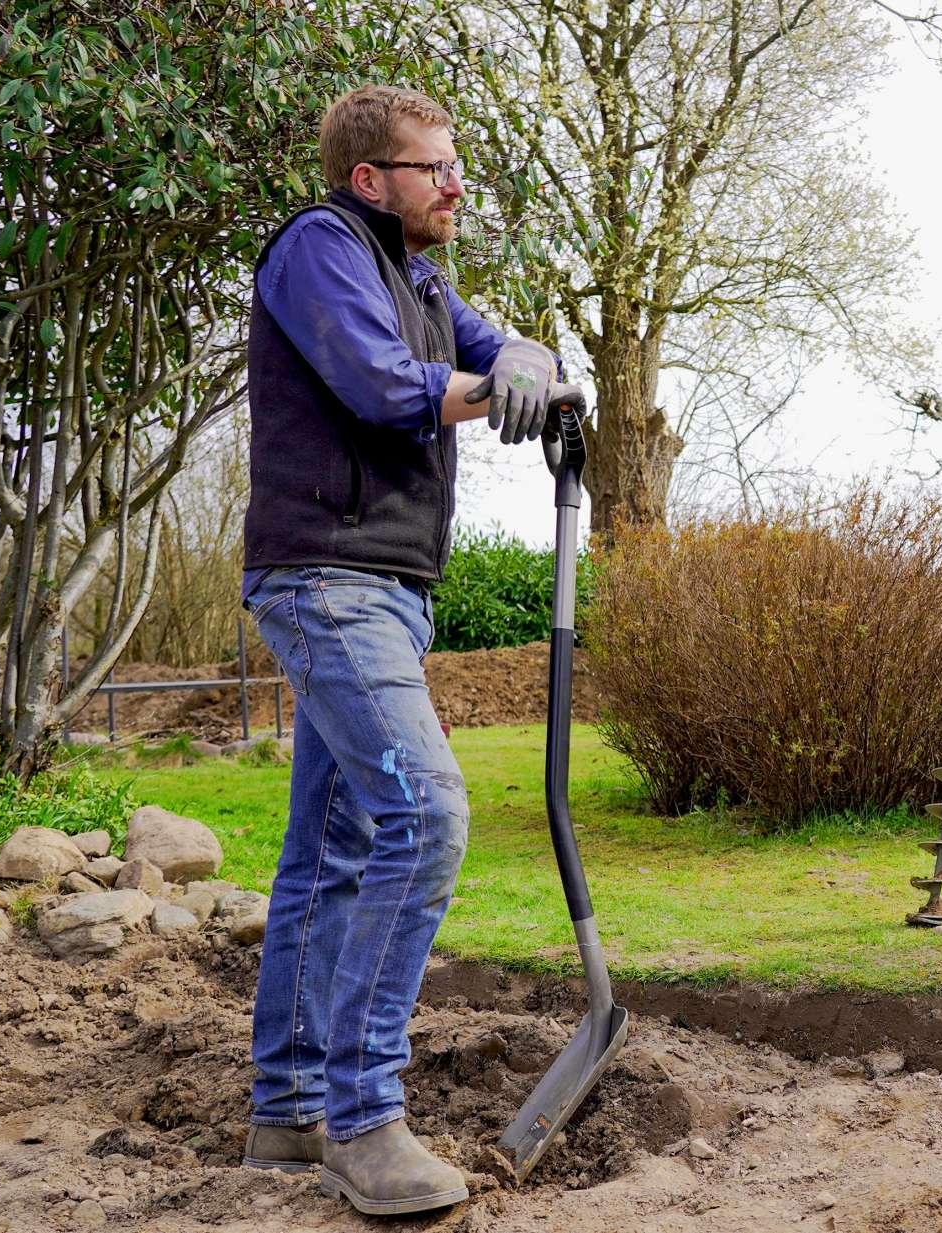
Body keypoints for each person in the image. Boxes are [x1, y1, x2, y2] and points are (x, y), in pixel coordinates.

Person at [236, 84, 566, 1216]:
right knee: (425, 815)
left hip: (384, 588)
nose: (456, 185)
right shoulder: (321, 245)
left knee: (329, 852)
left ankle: (284, 1114)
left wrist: (524, 354)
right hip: (325, 576)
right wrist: (501, 388)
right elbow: (384, 389)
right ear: (371, 177)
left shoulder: (419, 272)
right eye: (434, 168)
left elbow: (491, 347)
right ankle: (363, 1121)